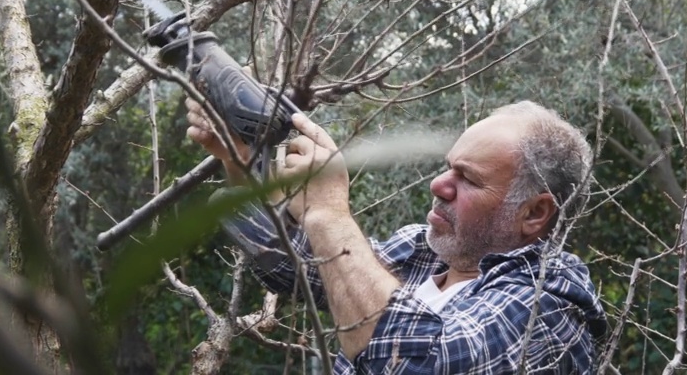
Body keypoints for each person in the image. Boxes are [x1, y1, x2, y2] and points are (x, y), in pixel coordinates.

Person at [186, 98, 608, 374]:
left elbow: (416, 365)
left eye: (469, 179)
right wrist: (243, 159)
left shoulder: (549, 304)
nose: (439, 185)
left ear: (534, 213)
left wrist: (330, 213)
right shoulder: (422, 252)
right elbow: (297, 265)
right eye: (448, 166)